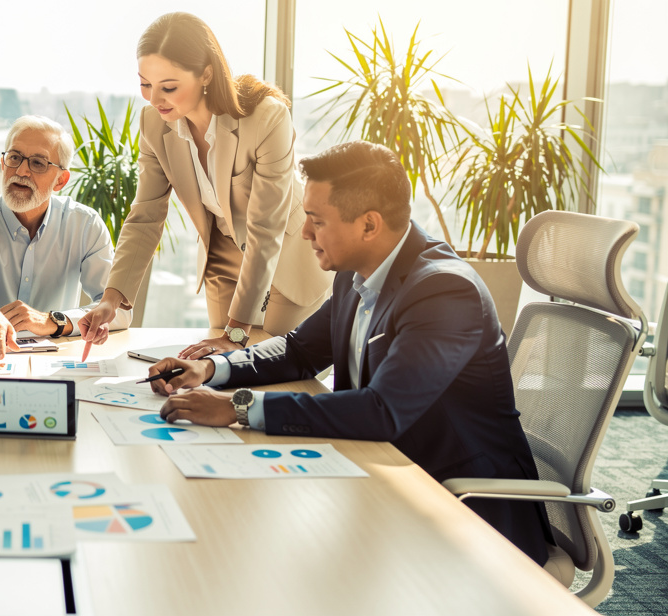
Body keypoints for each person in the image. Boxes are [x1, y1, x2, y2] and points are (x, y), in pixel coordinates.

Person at [152, 141, 552, 565]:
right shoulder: (356, 271)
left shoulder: (445, 291)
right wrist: (209, 368)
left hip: (459, 507)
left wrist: (238, 407)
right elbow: (298, 351)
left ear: (369, 225)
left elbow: (383, 411)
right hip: (382, 474)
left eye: (317, 221)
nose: (305, 234)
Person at [80, 13, 331, 358]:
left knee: (273, 366)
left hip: (284, 255)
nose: (154, 99)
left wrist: (238, 330)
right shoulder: (154, 124)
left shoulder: (266, 118)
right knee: (216, 366)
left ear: (206, 74)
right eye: (145, 84)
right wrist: (110, 300)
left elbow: (266, 227)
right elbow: (146, 214)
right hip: (222, 256)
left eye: (168, 87)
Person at [0, 116, 131, 357]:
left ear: (61, 180)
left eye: (38, 163)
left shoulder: (86, 225)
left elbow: (118, 310)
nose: (22, 171)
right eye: (14, 158)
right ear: (3, 164)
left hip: (55, 362)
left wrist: (54, 321)